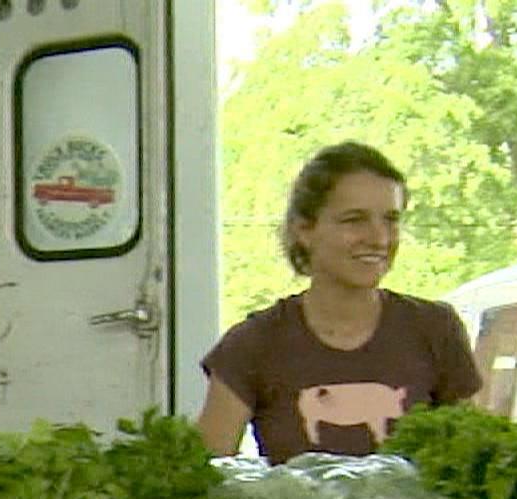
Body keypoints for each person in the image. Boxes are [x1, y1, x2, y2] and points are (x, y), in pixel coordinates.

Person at [195, 142, 480, 464]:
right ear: (304, 230)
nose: (379, 238)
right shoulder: (253, 343)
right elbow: (204, 475)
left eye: (390, 219)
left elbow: (470, 462)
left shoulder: (435, 328)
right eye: (354, 220)